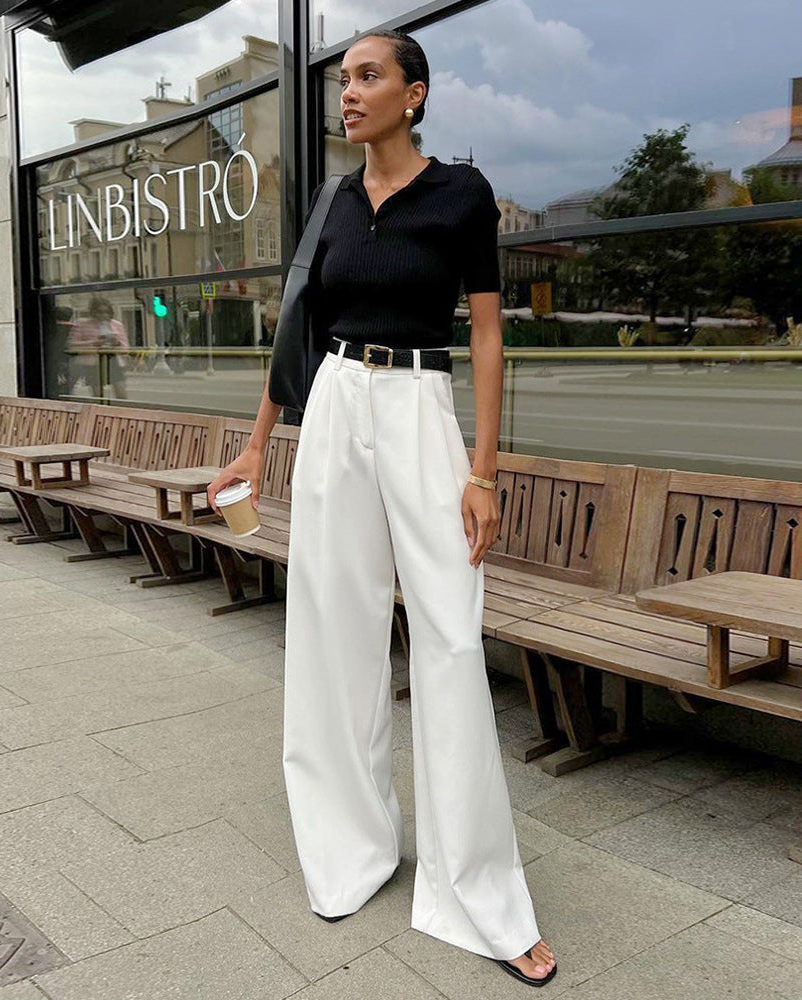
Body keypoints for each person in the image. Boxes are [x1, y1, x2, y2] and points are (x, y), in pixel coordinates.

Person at [207, 28, 557, 987]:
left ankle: (479, 892)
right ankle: (351, 850)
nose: (349, 93)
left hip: (416, 409)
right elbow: (297, 331)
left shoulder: (461, 195)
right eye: (344, 79)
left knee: (446, 637)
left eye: (368, 77)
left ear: (416, 93)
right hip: (333, 410)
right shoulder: (329, 202)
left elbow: (488, 337)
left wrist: (482, 472)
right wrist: (254, 442)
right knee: (331, 632)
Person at [68, 296, 130, 399]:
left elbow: (125, 347)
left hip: (113, 360)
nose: (103, 315)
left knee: (121, 391)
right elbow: (72, 343)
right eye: (100, 312)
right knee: (98, 394)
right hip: (93, 362)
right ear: (93, 312)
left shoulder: (116, 325)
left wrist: (116, 343)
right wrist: (94, 342)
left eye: (106, 312)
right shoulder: (83, 324)